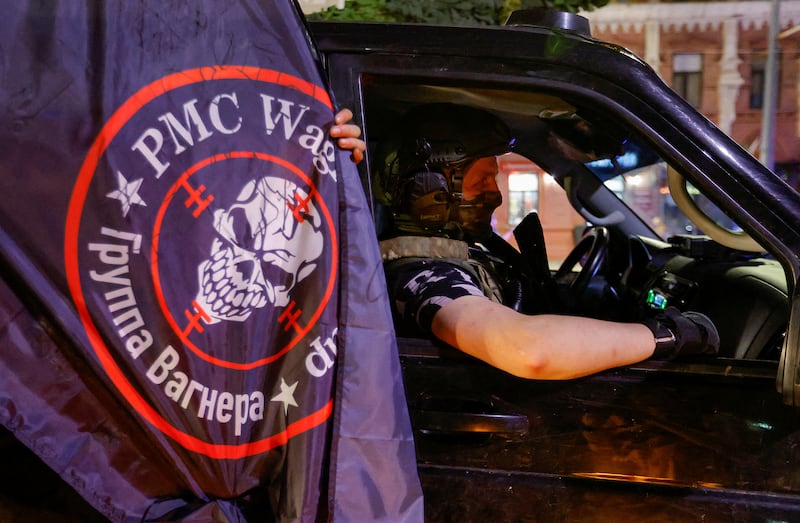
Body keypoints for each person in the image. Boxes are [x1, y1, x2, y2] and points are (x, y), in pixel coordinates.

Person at [373, 103, 718, 380]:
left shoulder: (463, 254)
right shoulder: (422, 277)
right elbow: (529, 350)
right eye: (482, 183)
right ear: (431, 190)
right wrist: (666, 334)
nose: (495, 196)